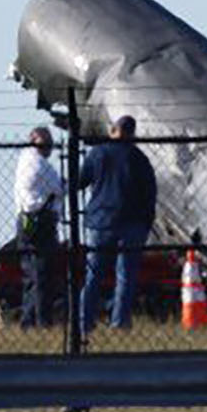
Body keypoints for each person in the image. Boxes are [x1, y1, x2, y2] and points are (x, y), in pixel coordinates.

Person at [76, 115, 157, 332]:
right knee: (126, 276)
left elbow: (80, 182)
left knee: (93, 274)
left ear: (113, 130)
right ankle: (119, 323)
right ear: (133, 133)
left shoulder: (98, 153)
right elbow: (150, 194)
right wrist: (146, 223)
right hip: (132, 223)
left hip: (101, 220)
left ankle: (84, 323)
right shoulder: (139, 158)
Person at [12, 125, 65, 327]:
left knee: (31, 273)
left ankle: (28, 320)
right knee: (43, 273)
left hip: (25, 220)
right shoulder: (40, 164)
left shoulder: (24, 161)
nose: (50, 148)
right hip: (41, 221)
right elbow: (60, 187)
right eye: (48, 143)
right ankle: (42, 321)